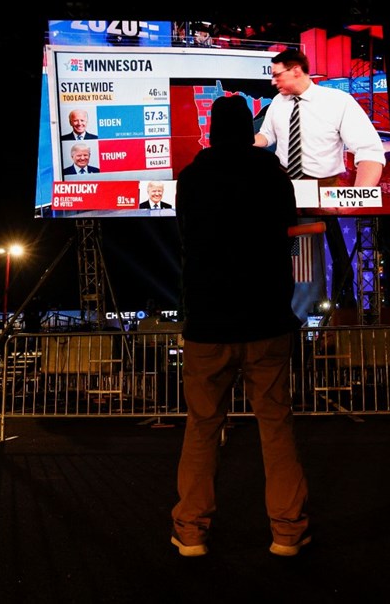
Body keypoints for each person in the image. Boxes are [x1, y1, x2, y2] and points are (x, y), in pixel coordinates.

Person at [170, 95, 310, 558]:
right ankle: (287, 532)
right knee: (276, 427)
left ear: (211, 130)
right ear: (249, 129)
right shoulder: (271, 173)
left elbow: (188, 233)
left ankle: (191, 531)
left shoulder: (192, 176)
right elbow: (285, 228)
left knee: (202, 427)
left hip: (208, 325)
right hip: (267, 321)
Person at [254, 49, 386, 308]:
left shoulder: (338, 101)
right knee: (287, 257)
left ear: (296, 70)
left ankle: (339, 305)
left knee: (332, 256)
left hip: (324, 192)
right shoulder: (279, 103)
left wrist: (357, 198)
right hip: (284, 191)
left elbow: (369, 150)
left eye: (277, 75)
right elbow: (267, 135)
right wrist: (245, 141)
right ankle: (285, 305)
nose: (273, 81)